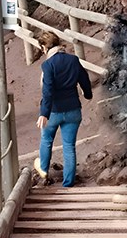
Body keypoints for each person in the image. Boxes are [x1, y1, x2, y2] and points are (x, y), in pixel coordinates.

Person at [35, 30, 92, 188]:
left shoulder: (48, 65)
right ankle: (68, 183)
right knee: (69, 146)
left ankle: (44, 175)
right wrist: (88, 94)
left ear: (45, 47)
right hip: (73, 109)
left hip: (53, 111)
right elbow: (84, 79)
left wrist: (44, 114)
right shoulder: (73, 60)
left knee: (46, 141)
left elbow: (48, 91)